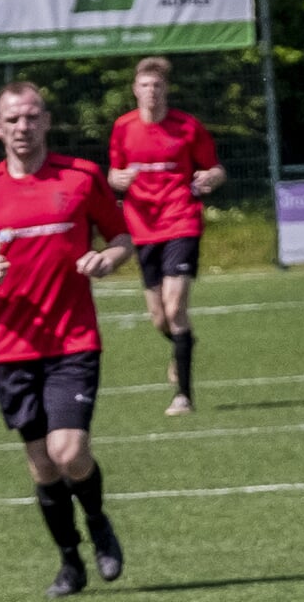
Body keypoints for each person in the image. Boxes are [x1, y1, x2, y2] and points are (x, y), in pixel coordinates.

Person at [0, 82, 134, 598]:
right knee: (43, 466)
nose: (22, 127)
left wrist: (107, 260)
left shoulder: (80, 177)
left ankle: (96, 521)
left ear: (46, 121)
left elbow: (121, 238)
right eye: (12, 119)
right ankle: (70, 561)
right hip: (12, 348)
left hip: (73, 341)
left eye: (31, 117)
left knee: (69, 450)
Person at [107, 56, 225, 416]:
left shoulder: (187, 127)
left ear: (166, 89)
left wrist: (209, 179)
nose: (151, 92)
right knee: (159, 317)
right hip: (142, 228)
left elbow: (216, 169)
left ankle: (183, 396)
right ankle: (183, 343)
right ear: (135, 90)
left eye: (157, 86)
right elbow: (113, 174)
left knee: (175, 308)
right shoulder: (124, 128)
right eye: (145, 86)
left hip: (181, 221)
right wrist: (117, 179)